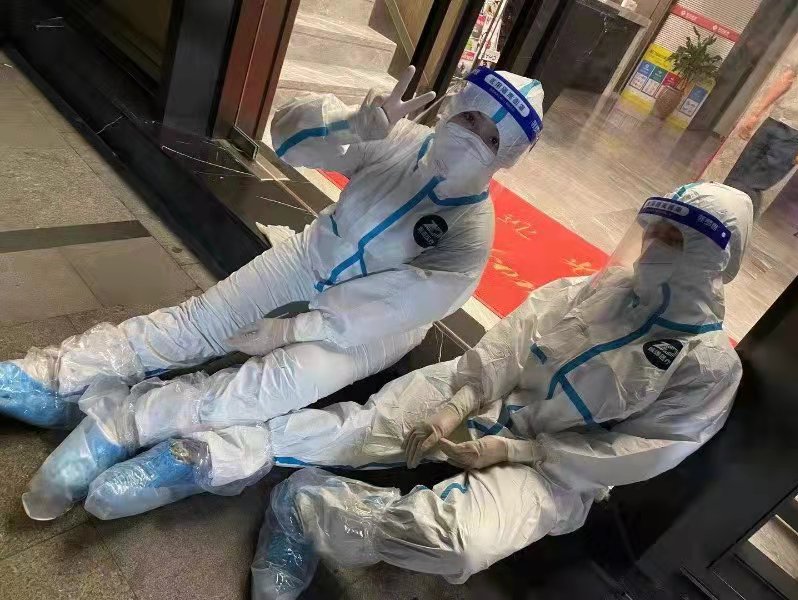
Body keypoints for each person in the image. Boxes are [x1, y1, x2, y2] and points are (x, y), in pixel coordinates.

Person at [82, 182, 750, 597]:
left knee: (458, 542)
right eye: (655, 230)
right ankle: (200, 457)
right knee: (355, 429)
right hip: (482, 399)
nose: (656, 247)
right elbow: (509, 344)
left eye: (678, 239)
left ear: (719, 259)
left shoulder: (707, 366)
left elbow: (643, 451)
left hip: (555, 470)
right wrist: (460, 401)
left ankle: (311, 507)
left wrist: (519, 453)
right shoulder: (589, 292)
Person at [9, 66, 546, 521]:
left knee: (274, 386)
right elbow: (289, 138)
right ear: (454, 107)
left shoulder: (472, 234)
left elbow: (399, 304)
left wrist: (294, 329)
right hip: (311, 255)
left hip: (374, 331)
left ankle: (120, 426)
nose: (472, 137)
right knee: (199, 322)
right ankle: (51, 374)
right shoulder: (398, 138)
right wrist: (351, 124)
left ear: (507, 157)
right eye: (470, 118)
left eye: (491, 139)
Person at [725, 40, 798, 214]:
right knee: (736, 176)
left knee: (754, 184)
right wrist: (756, 113)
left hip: (796, 135)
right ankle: (713, 218)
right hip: (775, 120)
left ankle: (735, 225)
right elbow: (786, 78)